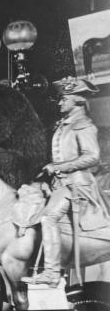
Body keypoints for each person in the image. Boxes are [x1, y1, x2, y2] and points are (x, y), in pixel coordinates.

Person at [23, 77, 109, 287]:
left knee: (48, 218)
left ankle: (52, 273)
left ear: (78, 101)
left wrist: (58, 167)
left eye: (64, 99)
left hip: (77, 186)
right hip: (60, 184)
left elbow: (92, 156)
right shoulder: (64, 125)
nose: (60, 103)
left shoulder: (83, 125)